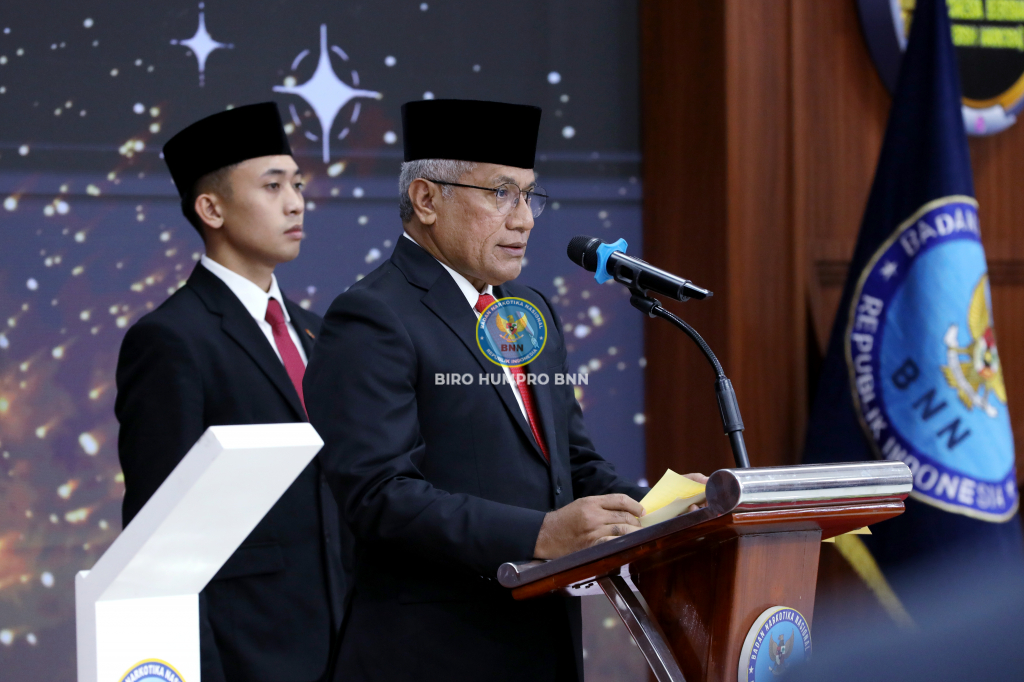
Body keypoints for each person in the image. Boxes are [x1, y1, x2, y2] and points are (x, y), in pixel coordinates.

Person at [304, 98, 706, 682]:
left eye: (529, 195)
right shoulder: (372, 316)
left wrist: (667, 511)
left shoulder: (526, 310)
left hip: (542, 646)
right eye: (501, 194)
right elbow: (379, 497)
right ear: (426, 199)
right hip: (433, 656)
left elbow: (574, 466)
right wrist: (541, 533)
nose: (524, 220)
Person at [115, 102, 347, 682]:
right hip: (250, 653)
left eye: (297, 184)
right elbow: (160, 540)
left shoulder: (318, 332)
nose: (295, 202)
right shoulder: (171, 339)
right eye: (272, 186)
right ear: (211, 208)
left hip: (350, 648)